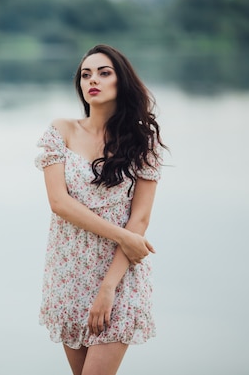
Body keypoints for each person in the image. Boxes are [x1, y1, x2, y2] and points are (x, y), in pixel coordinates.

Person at [34, 44, 166, 375]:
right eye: (85, 74)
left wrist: (108, 289)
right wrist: (125, 237)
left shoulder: (142, 142)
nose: (93, 80)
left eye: (104, 73)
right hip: (69, 272)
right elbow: (59, 203)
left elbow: (141, 218)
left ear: (122, 82)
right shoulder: (61, 131)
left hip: (120, 275)